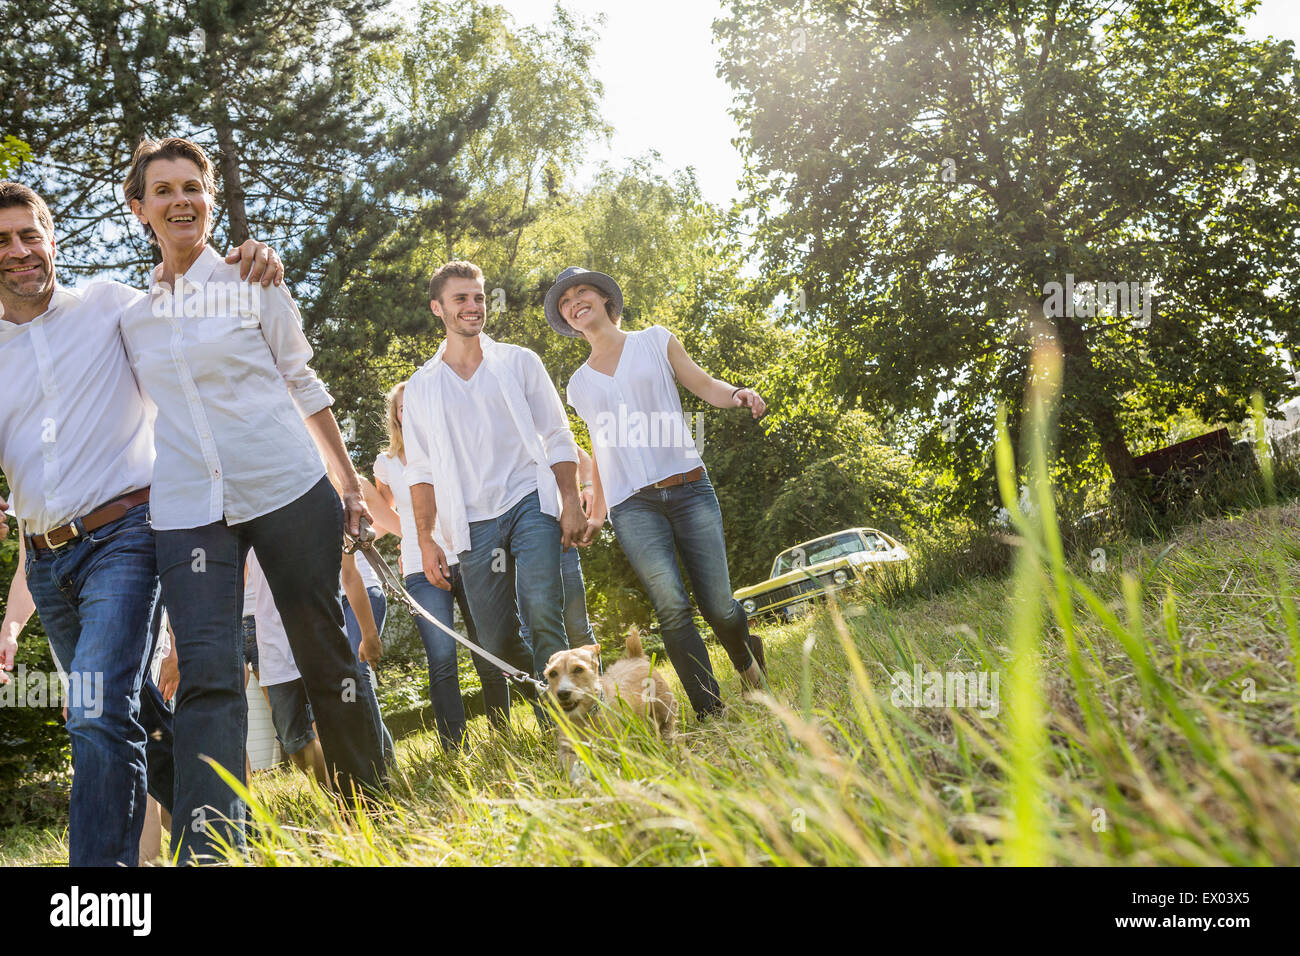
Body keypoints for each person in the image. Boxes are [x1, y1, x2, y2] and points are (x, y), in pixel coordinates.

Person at [117, 137, 385, 863]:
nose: (181, 200)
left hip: (287, 486)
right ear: (138, 208)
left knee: (323, 652)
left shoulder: (252, 279)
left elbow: (302, 380)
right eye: (162, 189)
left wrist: (349, 484)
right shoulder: (130, 319)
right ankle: (210, 841)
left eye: (192, 187)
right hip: (188, 509)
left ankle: (372, 805)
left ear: (207, 198)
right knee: (207, 674)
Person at [0, 179, 280, 866]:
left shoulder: (106, 305)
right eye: (2, 241)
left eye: (29, 234)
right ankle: (221, 835)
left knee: (95, 711)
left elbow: (186, 307)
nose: (19, 251)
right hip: (45, 558)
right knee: (133, 714)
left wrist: (249, 266)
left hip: (125, 535)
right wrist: (9, 617)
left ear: (51, 236)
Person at [546, 266, 768, 721]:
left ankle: (748, 661)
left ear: (606, 298)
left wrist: (738, 393)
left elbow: (704, 384)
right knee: (671, 606)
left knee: (720, 605)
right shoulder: (578, 386)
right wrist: (598, 512)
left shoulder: (654, 340)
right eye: (565, 301)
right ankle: (711, 710)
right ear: (566, 319)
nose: (574, 302)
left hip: (687, 486)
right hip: (633, 506)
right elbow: (602, 451)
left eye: (581, 292)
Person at [402, 261, 586, 727]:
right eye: (461, 298)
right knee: (496, 639)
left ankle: (567, 732)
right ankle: (554, 699)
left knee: (543, 612)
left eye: (479, 297)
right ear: (437, 308)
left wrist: (570, 499)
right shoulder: (423, 387)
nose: (473, 306)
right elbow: (420, 470)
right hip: (472, 522)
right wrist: (427, 538)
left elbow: (557, 434)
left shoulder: (519, 361)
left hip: (529, 501)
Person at [374, 381, 509, 747]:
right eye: (403, 407)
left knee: (487, 649)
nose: (410, 411)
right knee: (442, 659)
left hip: (469, 555)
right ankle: (455, 746)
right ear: (396, 415)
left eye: (417, 404)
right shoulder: (385, 464)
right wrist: (386, 536)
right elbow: (384, 514)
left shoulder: (453, 447)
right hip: (420, 569)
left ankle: (503, 736)